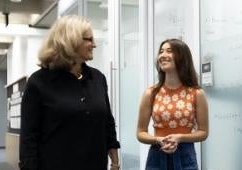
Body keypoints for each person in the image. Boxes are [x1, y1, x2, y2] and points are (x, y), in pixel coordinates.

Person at [19, 15, 120, 170]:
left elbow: (107, 121)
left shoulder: (98, 78)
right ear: (71, 41)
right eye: (90, 39)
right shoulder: (39, 82)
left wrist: (115, 162)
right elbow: (28, 137)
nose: (94, 45)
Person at [137, 39, 209, 170]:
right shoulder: (151, 93)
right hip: (157, 156)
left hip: (186, 156)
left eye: (169, 51)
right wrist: (158, 140)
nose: (163, 55)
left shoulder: (197, 93)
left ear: (182, 57)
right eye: (161, 51)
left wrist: (179, 138)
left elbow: (203, 132)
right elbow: (140, 133)